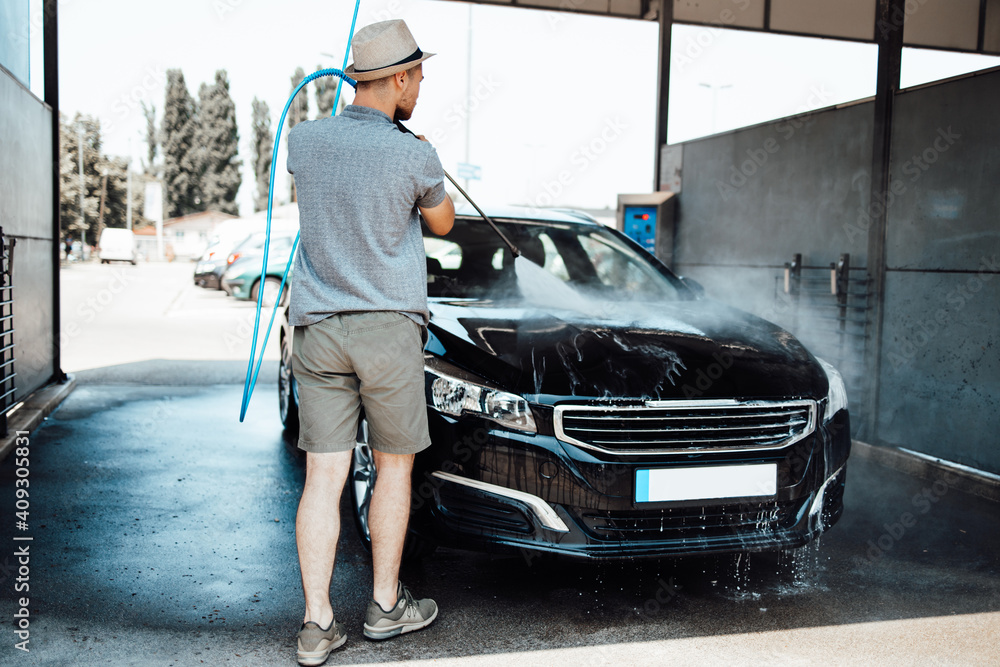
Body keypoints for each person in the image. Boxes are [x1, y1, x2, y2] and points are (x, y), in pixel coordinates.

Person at [285, 19, 455, 667]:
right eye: (419, 78)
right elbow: (442, 220)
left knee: (323, 475)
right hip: (388, 328)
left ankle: (316, 623)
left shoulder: (305, 141)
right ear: (401, 78)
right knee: (393, 468)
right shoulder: (415, 152)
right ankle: (385, 606)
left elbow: (333, 168)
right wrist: (424, 152)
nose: (421, 88)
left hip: (320, 327)